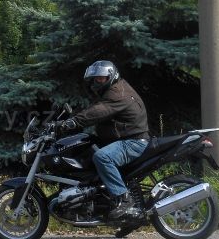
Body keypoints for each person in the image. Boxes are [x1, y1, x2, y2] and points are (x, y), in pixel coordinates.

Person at [56, 60, 150, 219]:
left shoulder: (117, 93)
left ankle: (124, 199)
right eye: (95, 78)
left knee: (102, 157)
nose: (98, 81)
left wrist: (73, 122)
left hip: (133, 142)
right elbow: (95, 110)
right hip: (127, 138)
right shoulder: (113, 90)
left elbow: (98, 112)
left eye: (101, 78)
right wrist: (72, 119)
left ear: (111, 76)